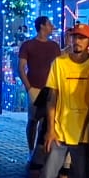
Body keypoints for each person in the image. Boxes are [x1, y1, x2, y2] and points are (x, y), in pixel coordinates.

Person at [22, 24, 89, 178]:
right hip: (60, 131)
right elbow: (52, 97)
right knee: (47, 176)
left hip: (83, 132)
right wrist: (51, 128)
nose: (77, 42)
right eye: (75, 37)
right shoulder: (60, 63)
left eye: (82, 38)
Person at [18, 17, 60, 156]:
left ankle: (40, 150)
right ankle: (31, 150)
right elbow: (21, 68)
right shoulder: (28, 45)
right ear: (42, 26)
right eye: (49, 24)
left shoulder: (54, 46)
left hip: (50, 88)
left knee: (46, 119)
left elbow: (58, 66)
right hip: (35, 87)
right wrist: (29, 88)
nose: (52, 27)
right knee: (33, 119)